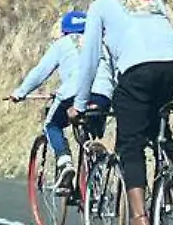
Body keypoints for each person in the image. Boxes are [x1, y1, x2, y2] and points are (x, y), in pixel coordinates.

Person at [77, 0, 173, 225]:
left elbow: (90, 59)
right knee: (158, 125)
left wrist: (79, 103)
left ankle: (140, 223)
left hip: (138, 70)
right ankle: (169, 191)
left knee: (130, 144)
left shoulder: (99, 5)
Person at [7, 10, 113, 188]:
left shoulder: (63, 43)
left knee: (51, 125)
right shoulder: (101, 44)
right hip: (103, 94)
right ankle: (96, 174)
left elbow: (40, 72)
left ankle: (65, 161)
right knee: (91, 130)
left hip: (74, 93)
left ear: (64, 31)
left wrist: (20, 92)